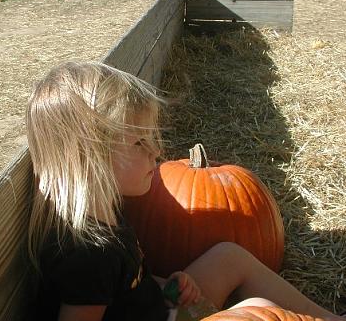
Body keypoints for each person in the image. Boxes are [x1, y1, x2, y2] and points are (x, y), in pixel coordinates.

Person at [26, 61, 343, 321]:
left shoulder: (107, 211)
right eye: (139, 142)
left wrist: (170, 287)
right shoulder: (89, 256)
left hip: (165, 308)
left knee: (229, 257)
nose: (155, 152)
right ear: (88, 157)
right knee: (259, 310)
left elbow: (129, 289)